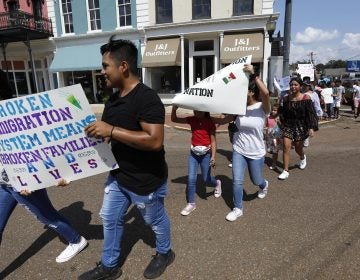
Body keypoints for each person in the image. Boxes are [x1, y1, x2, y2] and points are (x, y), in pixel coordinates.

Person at [80, 36, 174, 280]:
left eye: (105, 66)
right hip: (119, 176)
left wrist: (110, 130)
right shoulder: (112, 100)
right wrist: (72, 166)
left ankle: (165, 252)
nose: (102, 72)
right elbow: (108, 137)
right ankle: (110, 267)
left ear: (123, 66)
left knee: (154, 220)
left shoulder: (147, 98)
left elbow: (154, 141)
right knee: (109, 218)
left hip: (146, 180)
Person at [211, 64, 271, 222]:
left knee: (255, 180)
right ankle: (238, 208)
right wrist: (206, 116)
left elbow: (265, 93)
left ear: (251, 92)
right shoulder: (238, 109)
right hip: (239, 150)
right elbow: (222, 120)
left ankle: (264, 184)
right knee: (237, 181)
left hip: (256, 152)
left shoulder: (262, 108)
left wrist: (253, 75)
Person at [0, 176, 87, 263]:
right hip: (3, 182)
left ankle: (76, 240)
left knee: (47, 217)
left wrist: (60, 175)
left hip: (24, 181)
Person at [171, 106, 222, 216]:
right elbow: (174, 119)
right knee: (191, 179)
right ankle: (191, 203)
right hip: (193, 155)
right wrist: (174, 109)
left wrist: (213, 157)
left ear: (204, 110)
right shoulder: (192, 119)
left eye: (198, 110)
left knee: (206, 179)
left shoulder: (209, 122)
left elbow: (213, 141)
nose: (196, 112)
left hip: (206, 155)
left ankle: (217, 183)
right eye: (194, 110)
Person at [278, 77, 318, 180]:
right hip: (288, 124)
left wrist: (311, 127)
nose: (293, 86)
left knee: (297, 147)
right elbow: (282, 112)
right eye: (291, 85)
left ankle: (302, 156)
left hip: (301, 125)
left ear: (300, 86)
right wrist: (279, 120)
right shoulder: (286, 98)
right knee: (286, 146)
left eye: (295, 84)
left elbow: (311, 114)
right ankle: (285, 170)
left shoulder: (306, 98)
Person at [302, 76, 322, 147]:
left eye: (306, 85)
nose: (304, 87)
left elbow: (317, 104)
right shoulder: (299, 93)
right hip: (300, 113)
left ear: (309, 86)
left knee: (307, 126)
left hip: (309, 114)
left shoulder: (313, 94)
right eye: (303, 85)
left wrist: (319, 113)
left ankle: (306, 138)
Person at [265, 103, 282, 170]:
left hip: (276, 137)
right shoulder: (268, 117)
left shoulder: (279, 118)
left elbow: (282, 127)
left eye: (275, 110)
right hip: (269, 136)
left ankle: (274, 163)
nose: (273, 111)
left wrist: (278, 122)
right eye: (272, 110)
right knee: (269, 150)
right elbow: (266, 125)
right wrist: (266, 132)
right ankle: (273, 159)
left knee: (275, 151)